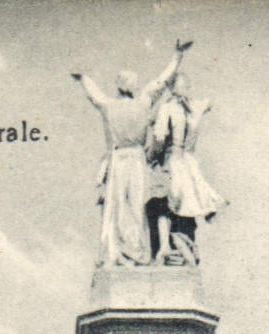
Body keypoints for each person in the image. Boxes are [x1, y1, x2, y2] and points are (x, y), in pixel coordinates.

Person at [72, 41, 193, 266]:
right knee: (128, 208)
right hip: (130, 159)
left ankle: (129, 253)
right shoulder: (138, 103)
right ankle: (130, 253)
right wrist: (177, 56)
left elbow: (94, 94)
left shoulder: (119, 104)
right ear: (127, 85)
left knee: (125, 208)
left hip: (125, 159)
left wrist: (82, 78)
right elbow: (161, 81)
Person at [147, 72, 227, 264]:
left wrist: (151, 156)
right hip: (189, 162)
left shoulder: (167, 108)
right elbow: (209, 102)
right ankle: (186, 246)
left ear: (171, 88)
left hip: (172, 159)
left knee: (163, 203)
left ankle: (165, 247)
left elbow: (159, 137)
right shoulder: (194, 108)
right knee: (187, 203)